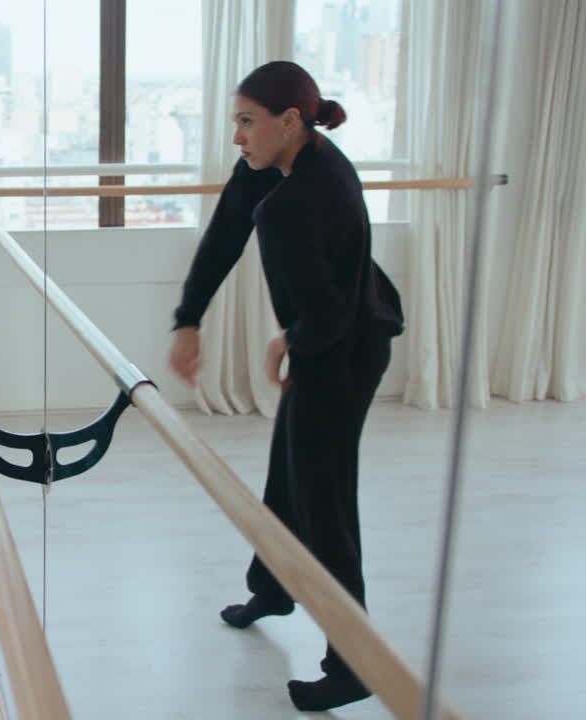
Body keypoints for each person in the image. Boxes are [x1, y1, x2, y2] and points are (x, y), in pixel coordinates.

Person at [168, 61, 404, 712]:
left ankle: (356, 662)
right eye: (235, 121)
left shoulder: (297, 201)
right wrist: (189, 319)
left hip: (346, 349)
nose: (238, 138)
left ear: (290, 121)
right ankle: (272, 587)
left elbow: (325, 315)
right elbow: (223, 237)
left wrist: (289, 341)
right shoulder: (294, 163)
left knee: (325, 504)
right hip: (338, 331)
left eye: (247, 122)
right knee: (287, 473)